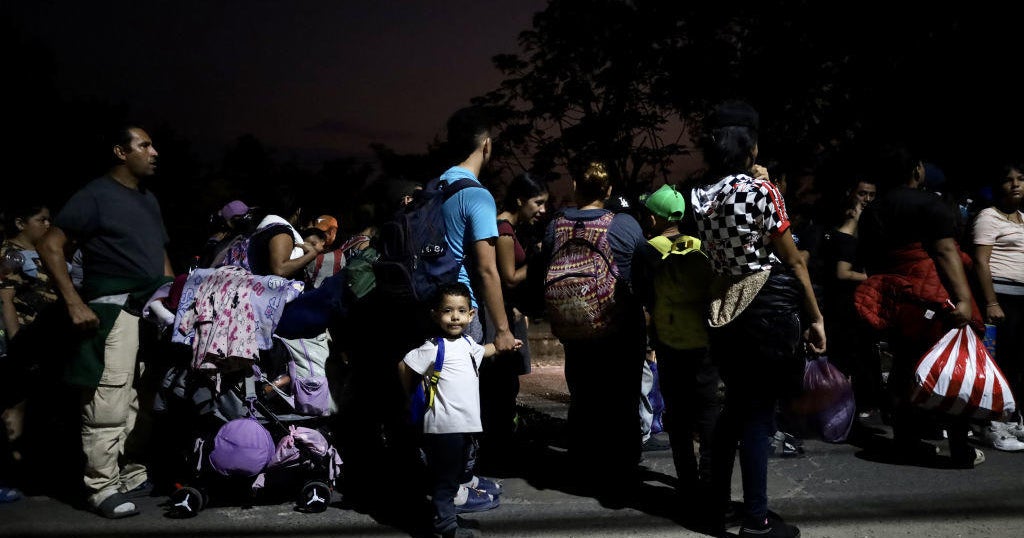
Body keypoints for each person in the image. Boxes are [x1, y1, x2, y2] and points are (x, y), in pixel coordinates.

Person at [691, 101, 825, 538]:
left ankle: (716, 506)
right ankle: (756, 521)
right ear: (748, 147)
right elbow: (795, 262)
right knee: (756, 417)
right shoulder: (761, 193)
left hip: (725, 308)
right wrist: (816, 317)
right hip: (764, 308)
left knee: (734, 412)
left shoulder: (699, 195)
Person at [37, 125, 174, 519]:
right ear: (120, 151)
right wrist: (74, 302)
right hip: (114, 309)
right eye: (144, 145)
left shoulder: (149, 200)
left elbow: (160, 253)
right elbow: (50, 244)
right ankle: (100, 486)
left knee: (142, 397)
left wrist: (174, 296)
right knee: (109, 396)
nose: (153, 152)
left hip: (151, 312)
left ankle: (128, 473)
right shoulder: (95, 194)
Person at [856, 144, 984, 468]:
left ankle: (906, 442)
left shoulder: (873, 209)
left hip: (895, 296)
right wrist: (965, 298)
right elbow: (944, 252)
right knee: (952, 367)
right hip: (933, 296)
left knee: (904, 369)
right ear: (916, 171)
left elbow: (870, 258)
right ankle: (959, 447)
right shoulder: (932, 203)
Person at [542, 161, 647, 499]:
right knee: (623, 399)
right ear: (609, 191)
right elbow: (643, 272)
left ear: (575, 187)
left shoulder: (554, 226)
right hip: (619, 326)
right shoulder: (625, 224)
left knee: (584, 396)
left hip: (574, 327)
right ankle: (621, 472)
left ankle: (583, 465)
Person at [398, 282, 519, 538]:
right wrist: (410, 394)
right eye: (448, 310)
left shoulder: (466, 344)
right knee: (445, 478)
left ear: (471, 314)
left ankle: (447, 516)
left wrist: (504, 345)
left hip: (464, 425)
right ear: (435, 314)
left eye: (461, 311)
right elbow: (404, 365)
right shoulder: (434, 347)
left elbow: (484, 351)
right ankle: (445, 526)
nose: (455, 317)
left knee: (454, 473)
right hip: (444, 426)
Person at [479, 172, 548, 469]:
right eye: (538, 202)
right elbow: (508, 278)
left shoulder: (506, 226)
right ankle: (498, 449)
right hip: (499, 317)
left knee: (503, 385)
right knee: (501, 386)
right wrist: (538, 261)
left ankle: (498, 445)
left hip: (507, 313)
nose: (542, 210)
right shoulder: (504, 229)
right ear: (520, 200)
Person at [438, 106, 516, 354]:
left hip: (435, 305)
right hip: (462, 310)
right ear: (486, 145)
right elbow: (486, 269)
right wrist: (503, 331)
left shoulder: (438, 185)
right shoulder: (477, 196)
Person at [971, 160, 1024, 450]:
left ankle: (1012, 418)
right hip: (1001, 299)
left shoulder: (1022, 219)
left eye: (1021, 178)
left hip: (1021, 298)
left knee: (1017, 362)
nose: (1015, 184)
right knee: (999, 362)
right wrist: (991, 301)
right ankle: (991, 424)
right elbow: (981, 261)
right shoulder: (989, 217)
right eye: (1008, 179)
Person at [821, 175, 882, 418]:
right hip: (845, 306)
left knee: (855, 355)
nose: (867, 200)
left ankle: (850, 404)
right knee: (848, 355)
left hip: (854, 305)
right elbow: (842, 272)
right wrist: (870, 277)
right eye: (862, 194)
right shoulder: (845, 235)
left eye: (871, 195)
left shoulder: (863, 230)